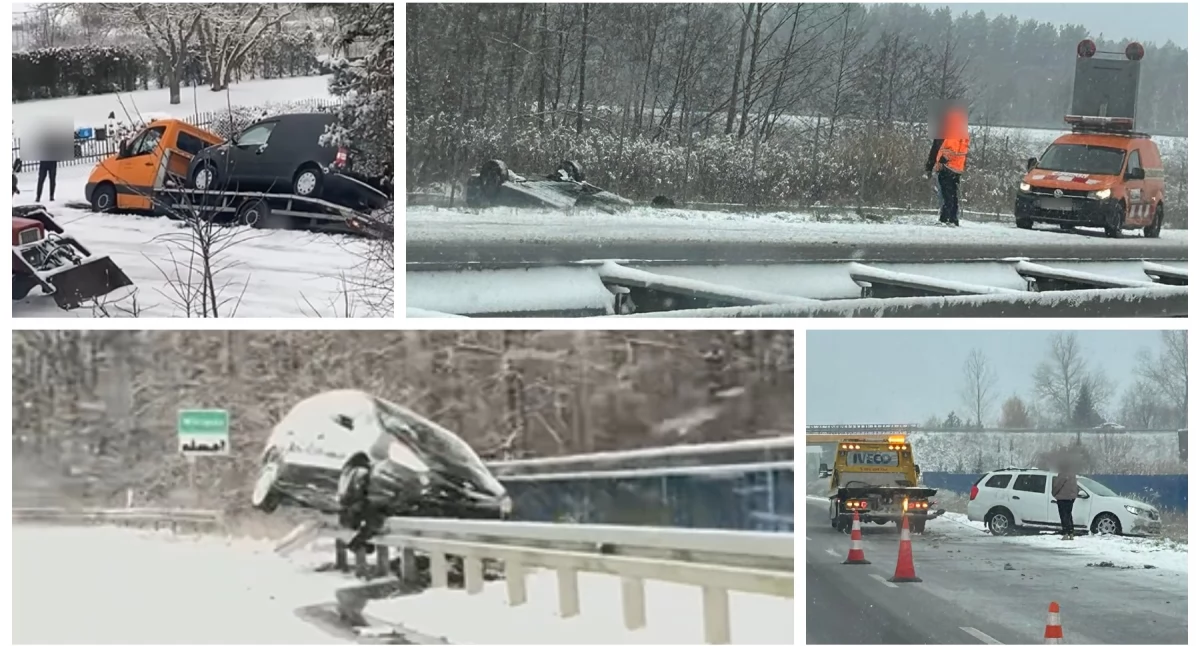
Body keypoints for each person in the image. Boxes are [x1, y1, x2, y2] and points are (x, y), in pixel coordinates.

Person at [924, 102, 970, 226]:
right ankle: (952, 218)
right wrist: (930, 165)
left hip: (948, 166)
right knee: (952, 194)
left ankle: (946, 218)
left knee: (947, 194)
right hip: (956, 167)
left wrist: (940, 162)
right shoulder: (958, 127)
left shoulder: (953, 128)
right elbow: (938, 147)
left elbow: (950, 148)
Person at [1052, 458, 1079, 540]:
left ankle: (1065, 533)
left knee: (1063, 515)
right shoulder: (1073, 475)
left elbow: (1057, 485)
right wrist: (1074, 495)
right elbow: (1076, 487)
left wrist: (1053, 493)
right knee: (1069, 515)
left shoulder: (1062, 474)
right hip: (1071, 498)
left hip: (1062, 497)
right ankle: (1071, 532)